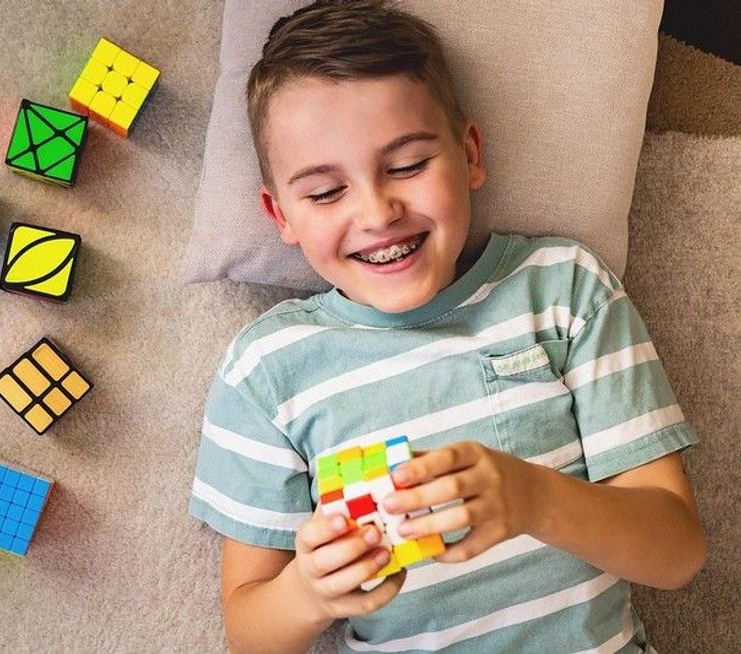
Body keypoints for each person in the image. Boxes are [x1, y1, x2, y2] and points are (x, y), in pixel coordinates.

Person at [187, 1, 706, 651]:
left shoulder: (563, 287)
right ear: (280, 214)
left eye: (406, 165)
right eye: (324, 192)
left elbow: (677, 553)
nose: (378, 212)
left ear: (468, 154)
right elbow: (249, 634)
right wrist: (306, 593)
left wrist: (532, 499)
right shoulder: (267, 368)